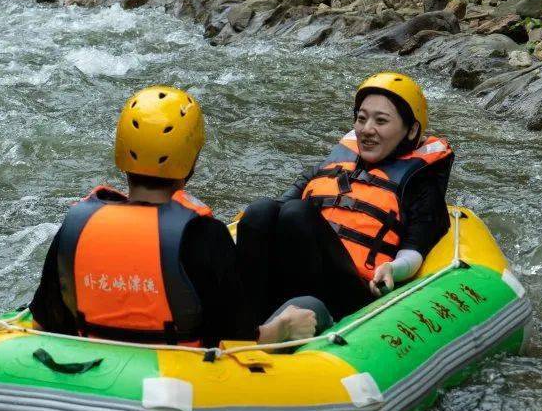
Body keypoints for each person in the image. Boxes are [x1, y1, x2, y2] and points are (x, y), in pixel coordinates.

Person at [29, 85, 319, 348]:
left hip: (94, 370)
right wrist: (282, 327)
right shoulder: (204, 234)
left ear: (121, 154)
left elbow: (44, 324)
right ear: (190, 163)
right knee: (308, 305)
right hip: (181, 379)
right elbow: (238, 343)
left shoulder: (78, 225)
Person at [238, 72, 454, 321]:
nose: (367, 130)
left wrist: (393, 268)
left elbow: (415, 249)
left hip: (353, 293)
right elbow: (278, 208)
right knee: (260, 210)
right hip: (298, 275)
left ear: (411, 130)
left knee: (297, 214)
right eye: (361, 119)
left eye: (381, 121)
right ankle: (246, 325)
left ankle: (300, 320)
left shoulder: (420, 182)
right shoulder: (337, 163)